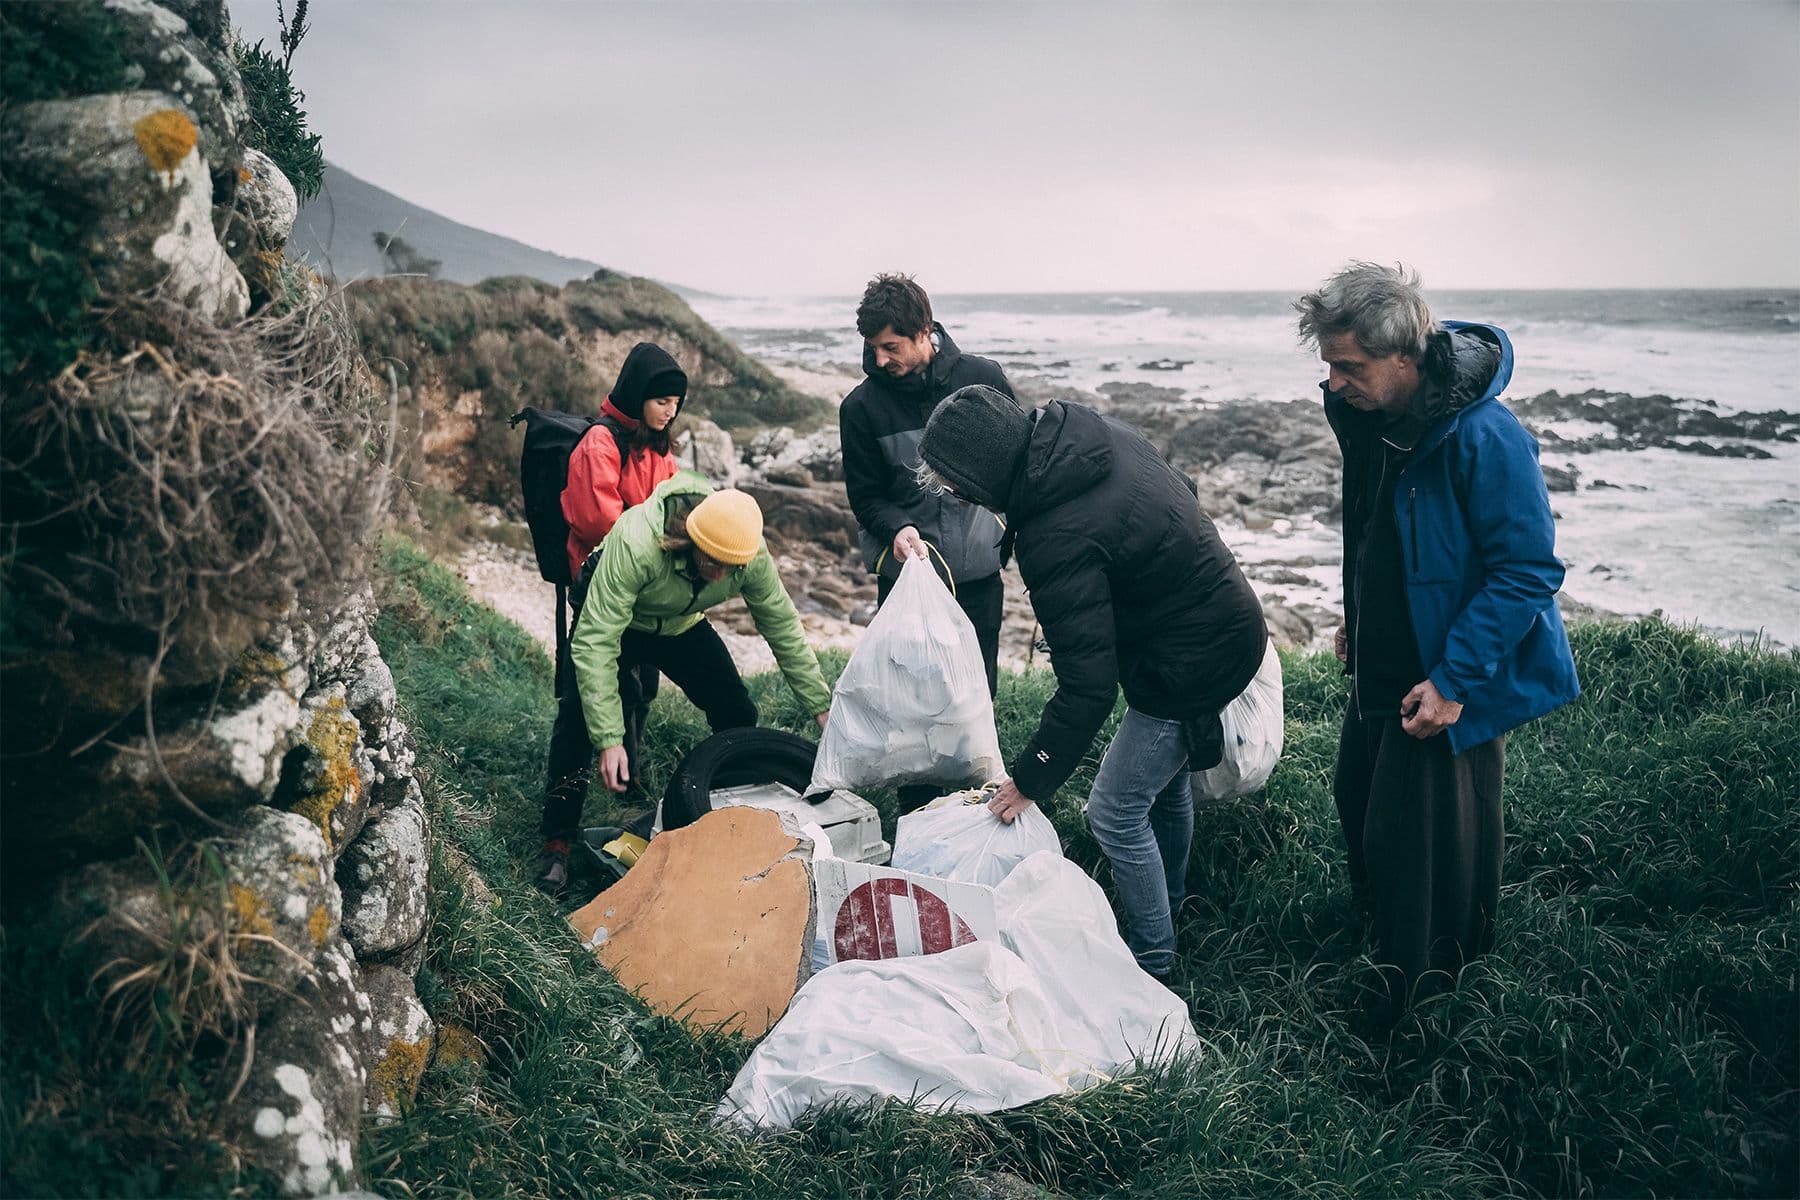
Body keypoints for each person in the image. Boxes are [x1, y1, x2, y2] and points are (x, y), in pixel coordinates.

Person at [1294, 261, 1580, 1013]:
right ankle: (1384, 945)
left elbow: (1527, 570)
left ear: (1405, 358)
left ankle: (1425, 1002)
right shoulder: (1371, 417)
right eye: (1327, 364)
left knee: (1430, 850)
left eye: (1347, 366)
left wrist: (1455, 681)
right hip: (1385, 662)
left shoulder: (1486, 436)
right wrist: (1359, 612)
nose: (1332, 383)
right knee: (1362, 808)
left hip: (1446, 674)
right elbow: (1380, 531)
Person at [916, 385, 1269, 979]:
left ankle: (1154, 958)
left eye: (953, 484)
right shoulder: (1089, 438)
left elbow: (1088, 685)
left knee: (1113, 810)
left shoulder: (1055, 535)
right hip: (1224, 618)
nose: (953, 495)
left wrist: (1030, 778)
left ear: (983, 475)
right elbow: (1182, 487)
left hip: (1192, 657)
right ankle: (1173, 904)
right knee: (1166, 782)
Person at [539, 472, 832, 896]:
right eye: (711, 562)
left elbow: (782, 625)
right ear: (688, 541)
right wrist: (608, 739)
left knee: (737, 712)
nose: (719, 576)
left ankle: (730, 816)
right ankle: (556, 842)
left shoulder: (746, 552)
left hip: (679, 624)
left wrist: (819, 705)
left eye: (729, 569)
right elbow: (595, 642)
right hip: (615, 619)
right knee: (579, 721)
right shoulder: (638, 542)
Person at [536, 343, 686, 895]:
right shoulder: (598, 444)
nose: (670, 412)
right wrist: (659, 540)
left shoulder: (660, 450)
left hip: (644, 599)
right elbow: (600, 521)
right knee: (578, 713)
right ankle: (556, 838)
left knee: (642, 690)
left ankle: (626, 776)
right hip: (600, 596)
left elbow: (673, 509)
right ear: (637, 396)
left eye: (676, 403)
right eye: (662, 401)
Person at [840, 274, 1016, 700]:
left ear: (924, 332)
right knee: (908, 699)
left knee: (976, 695)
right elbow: (865, 498)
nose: (879, 360)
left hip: (979, 575)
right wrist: (897, 528)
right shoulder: (860, 409)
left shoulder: (983, 378)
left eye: (890, 347)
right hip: (907, 580)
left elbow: (1021, 463)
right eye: (872, 347)